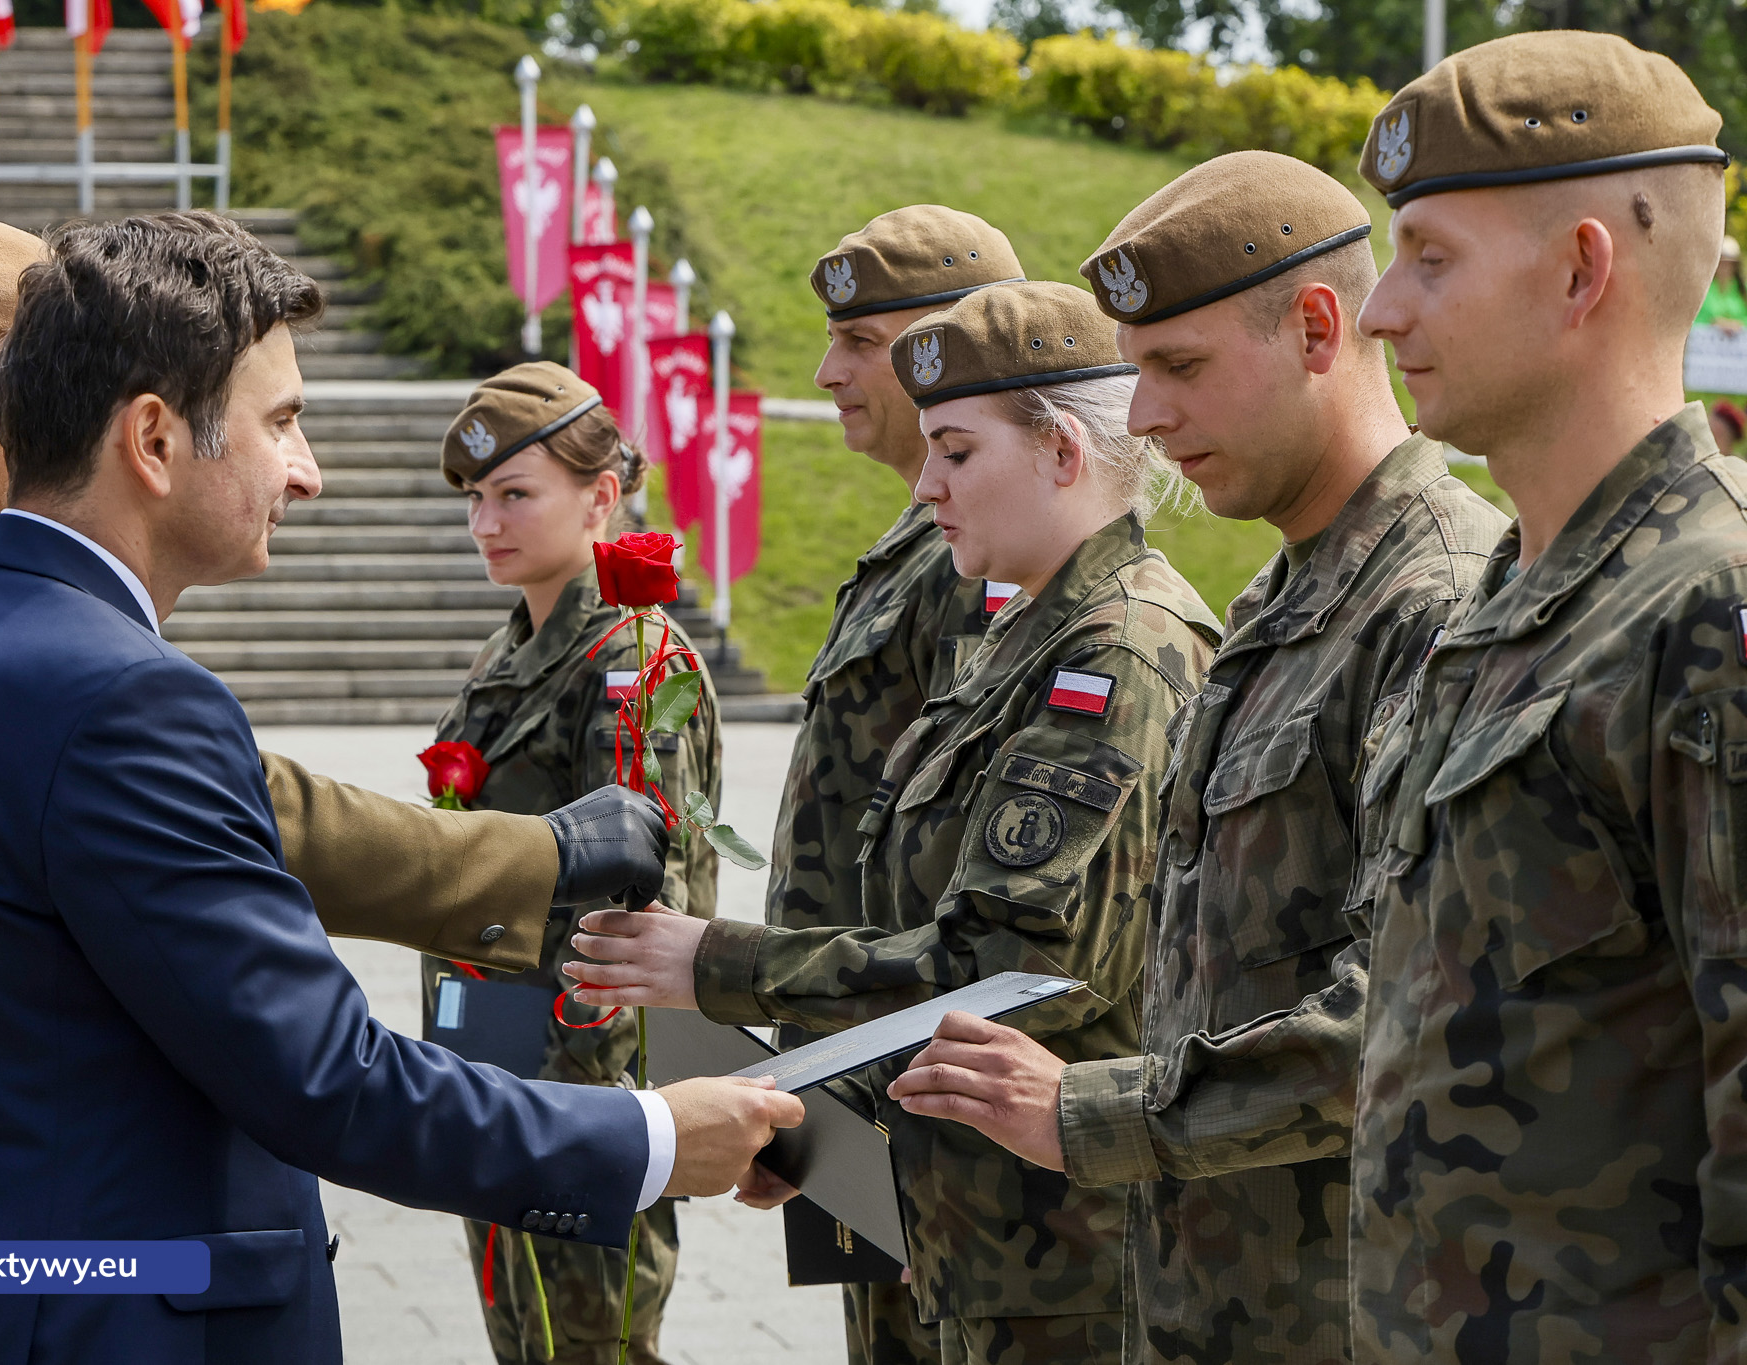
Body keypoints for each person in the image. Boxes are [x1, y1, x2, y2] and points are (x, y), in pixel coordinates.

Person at [0, 212, 802, 1363]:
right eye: (281, 421)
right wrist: (652, 1139)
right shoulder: (124, 703)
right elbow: (329, 1081)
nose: (308, 472)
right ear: (152, 440)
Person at [883, 153, 1509, 1365]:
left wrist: (1091, 1112)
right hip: (1202, 1297)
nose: (1147, 420)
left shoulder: (1432, 601)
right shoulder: (1284, 589)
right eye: (1133, 373)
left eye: (1177, 367)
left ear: (1317, 330)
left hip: (1333, 1312)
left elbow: (1400, 1010)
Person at [569, 281, 1221, 1365]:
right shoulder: (1019, 643)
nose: (926, 487)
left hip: (1057, 1251)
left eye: (956, 454)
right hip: (965, 1217)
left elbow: (1006, 968)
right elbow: (912, 917)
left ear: (1062, 452)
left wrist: (715, 963)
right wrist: (825, 1124)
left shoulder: (1115, 655)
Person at [1346, 34, 1747, 1359]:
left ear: (1582, 270)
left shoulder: (1709, 612)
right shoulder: (1498, 603)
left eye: (1430, 257)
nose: (1380, 310)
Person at [423, 362, 722, 1365]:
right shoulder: (509, 651)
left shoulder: (633, 660)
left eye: (513, 494)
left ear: (603, 495)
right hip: (495, 1045)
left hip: (578, 1068)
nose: (484, 523)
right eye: (474, 499)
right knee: (520, 1325)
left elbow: (642, 892)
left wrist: (577, 1093)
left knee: (590, 1335)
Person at [770, 203, 1011, 1365]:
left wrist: (906, 1149)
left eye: (857, 343)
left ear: (939, 350)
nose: (824, 372)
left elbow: (974, 869)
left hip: (923, 1094)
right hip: (866, 1076)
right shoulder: (917, 546)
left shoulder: (982, 560)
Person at [1696, 234, 1746, 333]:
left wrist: (1737, 325)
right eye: (1722, 262)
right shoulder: (1703, 290)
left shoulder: (1743, 289)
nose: (1725, 267)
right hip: (1707, 343)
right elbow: (1696, 320)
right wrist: (1714, 323)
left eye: (1729, 263)